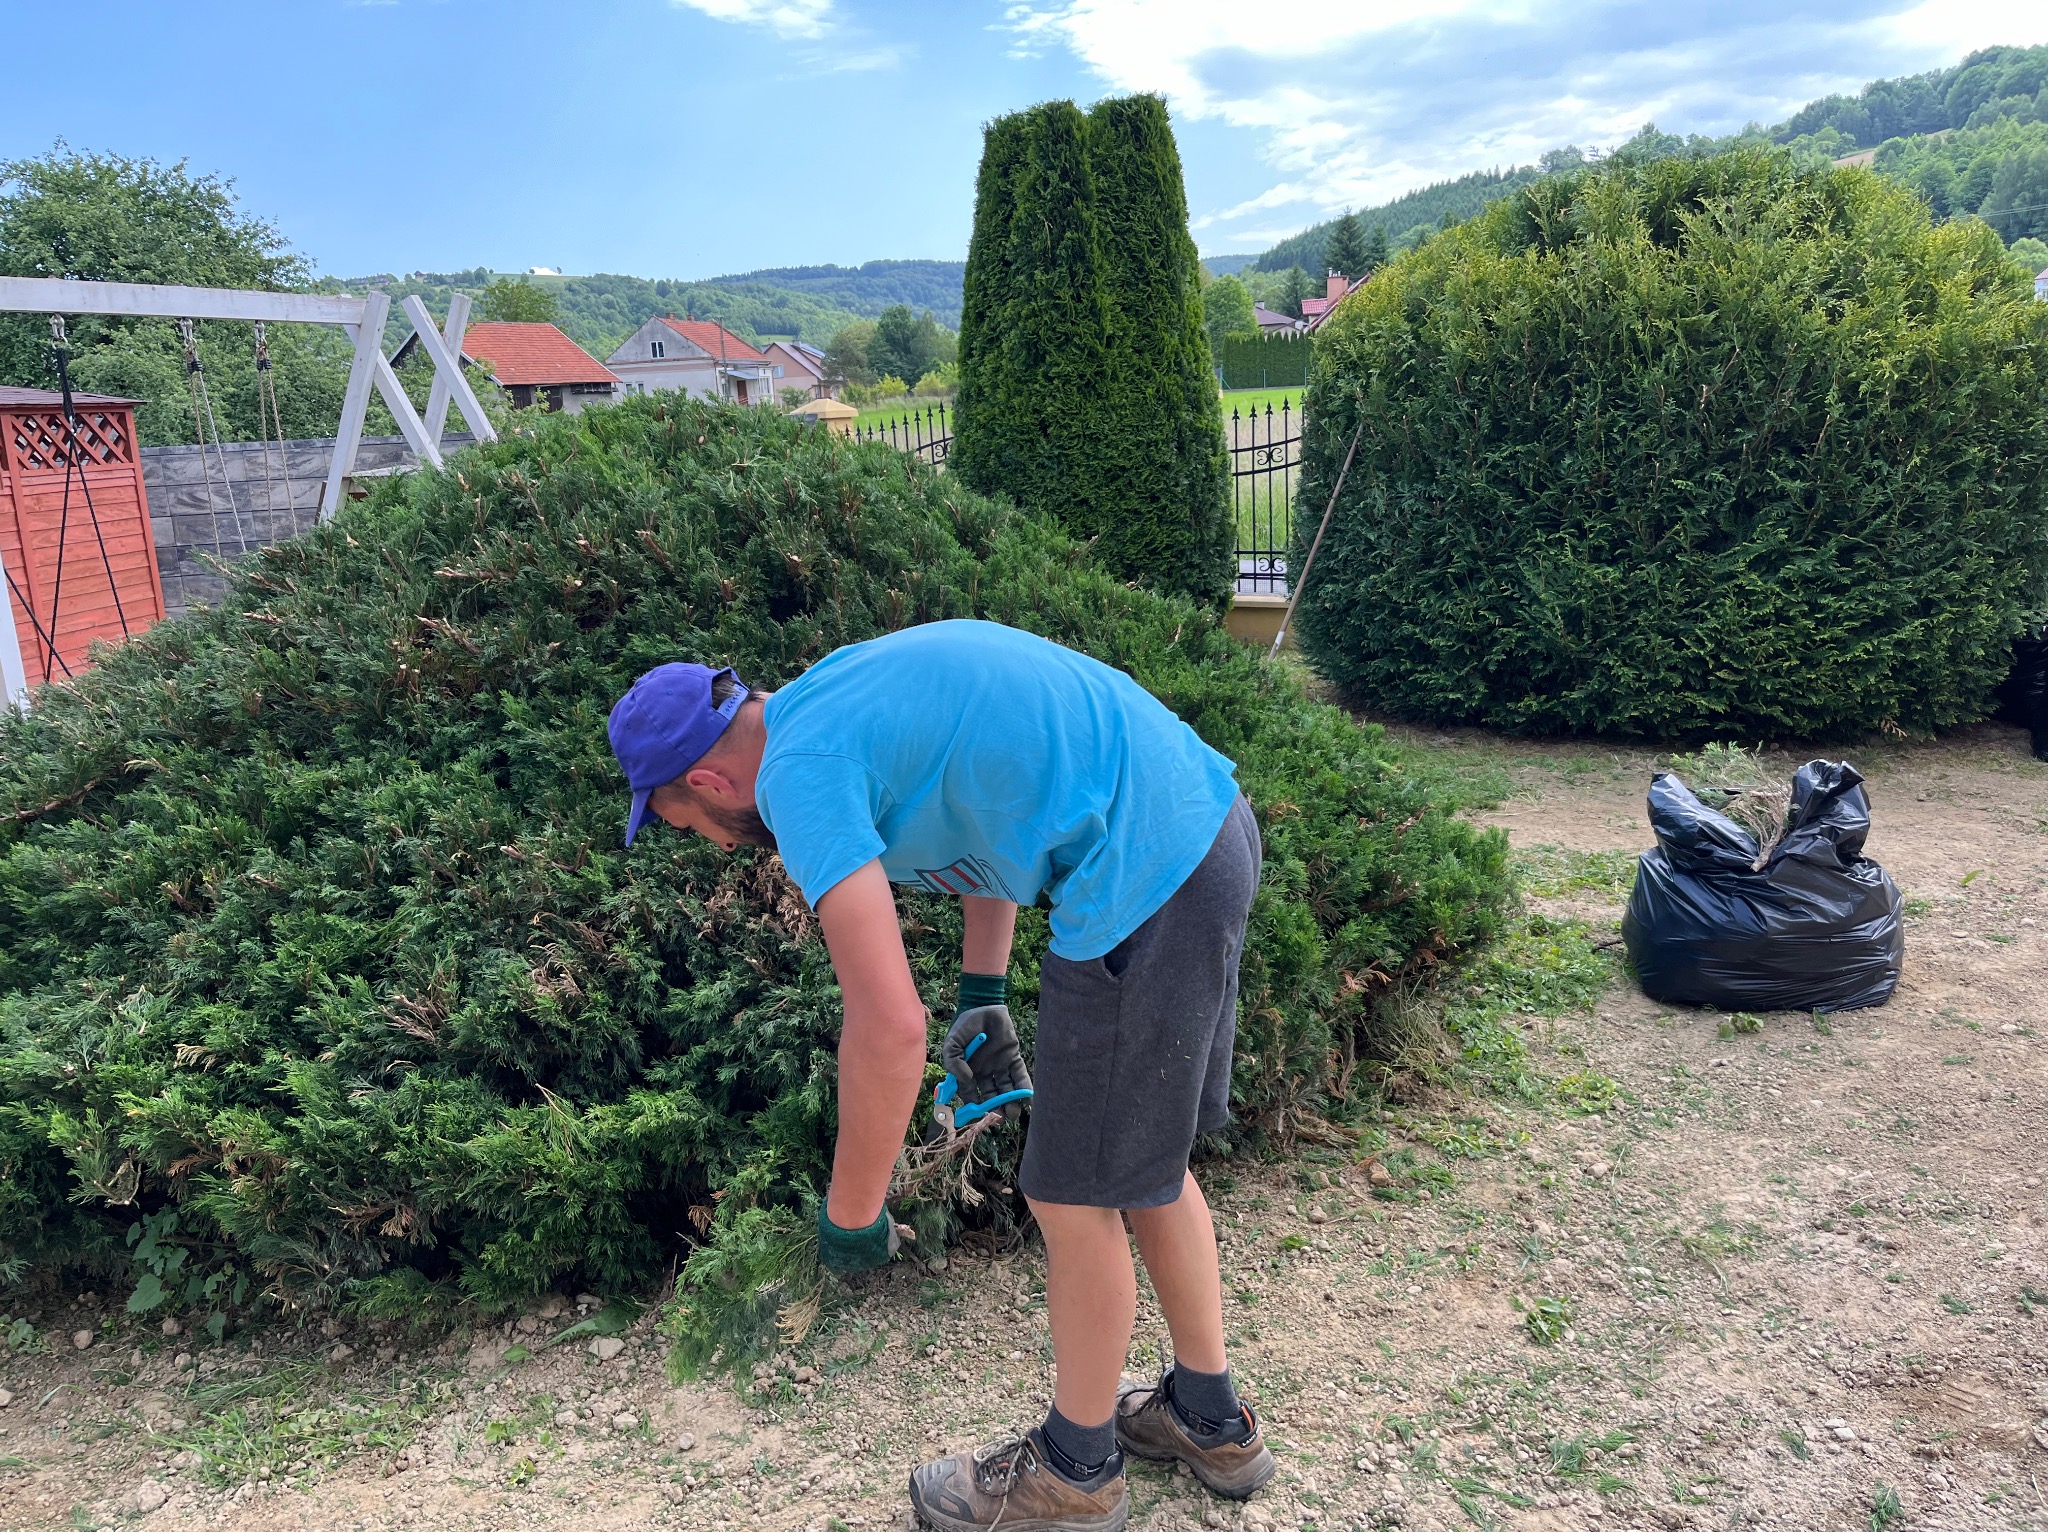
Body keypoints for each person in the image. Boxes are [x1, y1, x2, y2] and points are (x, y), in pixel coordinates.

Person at [608, 619, 1275, 1532]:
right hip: (1196, 823)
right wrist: (983, 989)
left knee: (1073, 1195)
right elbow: (993, 798)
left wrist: (852, 1212)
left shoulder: (799, 777)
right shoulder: (830, 700)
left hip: (1146, 869)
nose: (717, 846)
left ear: (708, 782)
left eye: (689, 825)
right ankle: (1210, 1419)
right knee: (1144, 1168)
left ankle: (1075, 1475)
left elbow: (886, 1031)